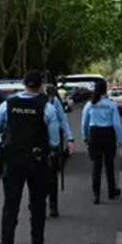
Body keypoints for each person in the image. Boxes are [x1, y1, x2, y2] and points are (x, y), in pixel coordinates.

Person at [0, 70, 63, 244]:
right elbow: (55, 140)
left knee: (10, 207)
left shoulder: (8, 104)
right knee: (38, 205)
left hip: (12, 161)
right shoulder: (46, 107)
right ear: (40, 86)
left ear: (23, 83)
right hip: (37, 161)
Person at [81, 79, 122, 204]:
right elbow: (117, 124)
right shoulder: (111, 104)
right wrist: (120, 141)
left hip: (94, 134)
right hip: (108, 134)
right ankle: (111, 191)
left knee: (96, 166)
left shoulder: (90, 104)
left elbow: (84, 122)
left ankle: (96, 195)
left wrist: (85, 136)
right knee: (109, 164)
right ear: (106, 89)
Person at [45, 84, 75, 218]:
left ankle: (53, 205)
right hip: (38, 144)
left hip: (51, 143)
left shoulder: (53, 102)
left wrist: (70, 137)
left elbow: (62, 119)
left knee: (51, 177)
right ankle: (38, 201)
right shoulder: (28, 101)